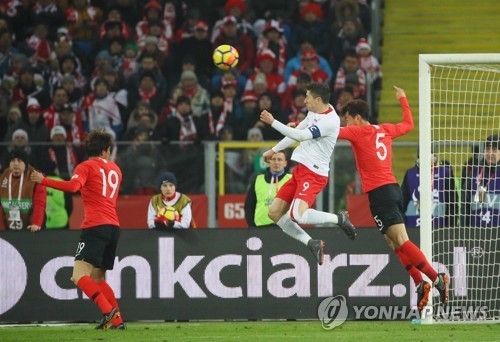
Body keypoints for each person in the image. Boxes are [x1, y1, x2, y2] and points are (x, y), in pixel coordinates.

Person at [338, 86, 448, 313]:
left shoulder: (357, 132)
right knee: (394, 243)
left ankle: (435, 279)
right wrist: (403, 99)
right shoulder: (385, 130)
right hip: (390, 189)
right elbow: (409, 124)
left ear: (358, 118)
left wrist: (299, 127)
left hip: (381, 193)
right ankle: (420, 283)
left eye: (348, 119)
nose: (346, 123)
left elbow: (331, 132)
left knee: (401, 240)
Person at [30, 130, 125, 329]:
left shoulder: (86, 166)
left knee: (78, 275)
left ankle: (108, 312)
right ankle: (118, 321)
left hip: (95, 226)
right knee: (98, 277)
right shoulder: (116, 169)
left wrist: (43, 180)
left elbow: (73, 187)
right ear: (106, 151)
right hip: (113, 226)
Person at [259, 82, 357, 265]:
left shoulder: (330, 121)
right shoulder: (314, 112)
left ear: (318, 100)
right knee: (273, 213)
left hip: (314, 174)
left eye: (308, 97)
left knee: (297, 215)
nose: (304, 101)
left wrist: (273, 122)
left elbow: (302, 137)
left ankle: (339, 218)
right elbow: (296, 131)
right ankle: (311, 242)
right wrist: (273, 150)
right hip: (301, 170)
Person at [401, 152, 458, 228]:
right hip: (413, 226)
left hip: (439, 228)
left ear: (434, 155)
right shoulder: (410, 173)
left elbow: (452, 202)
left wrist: (450, 227)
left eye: (431, 153)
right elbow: (402, 203)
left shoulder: (445, 173)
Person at [0, 149, 46, 231]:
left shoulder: (36, 176)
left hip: (31, 226)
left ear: (26, 164)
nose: (16, 164)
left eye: (19, 161)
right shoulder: (3, 176)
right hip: (8, 226)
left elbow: (39, 202)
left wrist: (36, 223)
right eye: (13, 160)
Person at [245, 150, 292, 227]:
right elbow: (249, 206)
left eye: (279, 159)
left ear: (285, 163)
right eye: (273, 159)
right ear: (268, 162)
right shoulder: (258, 180)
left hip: (287, 228)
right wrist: (252, 227)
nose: (276, 162)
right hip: (261, 228)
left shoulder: (292, 180)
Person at [461, 134, 499, 227]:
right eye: (487, 149)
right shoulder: (474, 172)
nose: (490, 153)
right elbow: (465, 203)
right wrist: (463, 229)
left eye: (494, 149)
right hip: (476, 235)